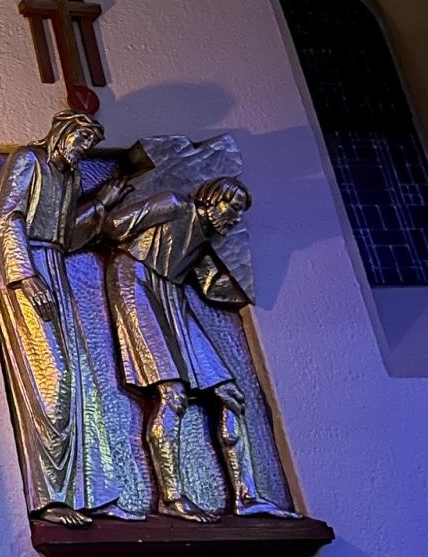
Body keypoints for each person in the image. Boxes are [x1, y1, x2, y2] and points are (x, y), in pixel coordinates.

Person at [102, 175, 296, 521]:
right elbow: (116, 226)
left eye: (239, 213)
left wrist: (264, 287)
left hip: (172, 297)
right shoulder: (174, 204)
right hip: (136, 283)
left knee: (231, 395)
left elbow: (212, 286)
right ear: (211, 198)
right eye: (232, 208)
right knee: (172, 395)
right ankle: (171, 497)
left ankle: (247, 496)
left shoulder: (205, 240)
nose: (235, 218)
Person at [0, 109, 137, 526]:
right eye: (81, 141)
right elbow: (5, 217)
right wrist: (25, 275)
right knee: (53, 378)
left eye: (90, 146)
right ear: (63, 131)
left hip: (55, 268)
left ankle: (96, 494)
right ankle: (51, 498)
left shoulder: (69, 176)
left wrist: (101, 202)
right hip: (25, 270)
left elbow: (68, 238)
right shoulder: (27, 160)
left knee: (82, 379)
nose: (84, 151)